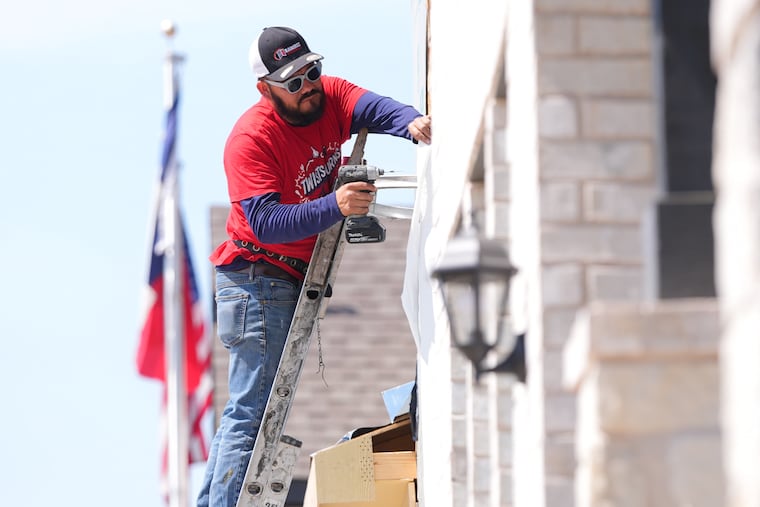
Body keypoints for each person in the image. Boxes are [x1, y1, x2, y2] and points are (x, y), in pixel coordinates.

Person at [197, 26, 431, 507]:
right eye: (293, 82)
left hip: (281, 278)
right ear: (266, 89)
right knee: (251, 415)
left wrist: (412, 124)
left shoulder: (330, 96)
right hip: (256, 279)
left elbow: (376, 108)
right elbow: (264, 222)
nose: (308, 88)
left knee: (250, 413)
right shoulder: (251, 139)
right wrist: (337, 206)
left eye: (312, 73)